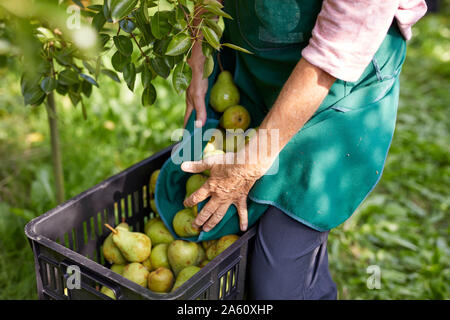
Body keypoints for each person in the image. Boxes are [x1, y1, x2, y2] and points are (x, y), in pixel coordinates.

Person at [181, 0, 427, 299]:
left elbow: (334, 55)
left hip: (340, 86)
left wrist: (246, 166)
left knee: (277, 276)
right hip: (255, 60)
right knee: (254, 243)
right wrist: (199, 60)